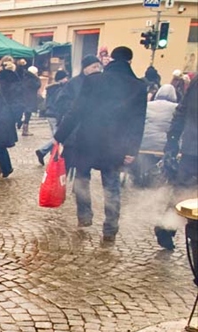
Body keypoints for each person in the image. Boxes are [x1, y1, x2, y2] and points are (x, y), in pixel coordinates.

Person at [55, 46, 147, 242]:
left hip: (88, 140)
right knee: (112, 186)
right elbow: (138, 121)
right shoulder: (138, 86)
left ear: (111, 60)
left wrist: (60, 136)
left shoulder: (93, 80)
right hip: (116, 145)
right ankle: (110, 227)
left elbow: (76, 111)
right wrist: (132, 149)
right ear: (130, 62)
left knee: (82, 179)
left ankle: (85, 216)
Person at [156, 78, 197, 250]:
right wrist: (172, 140)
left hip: (192, 148)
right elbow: (182, 111)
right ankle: (167, 228)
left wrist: (173, 139)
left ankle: (167, 228)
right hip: (193, 149)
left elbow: (181, 111)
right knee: (182, 193)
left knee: (183, 191)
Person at [35, 70, 69, 165]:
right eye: (65, 78)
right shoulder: (59, 89)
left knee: (56, 136)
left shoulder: (51, 88)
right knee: (58, 137)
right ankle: (42, 151)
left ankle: (53, 157)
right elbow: (58, 103)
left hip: (50, 114)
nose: (67, 79)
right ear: (61, 79)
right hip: (55, 114)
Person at [17, 64, 41, 136]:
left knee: (24, 113)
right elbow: (38, 85)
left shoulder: (25, 77)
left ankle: (20, 123)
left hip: (24, 98)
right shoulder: (33, 79)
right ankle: (25, 129)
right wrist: (37, 78)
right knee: (28, 114)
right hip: (30, 98)